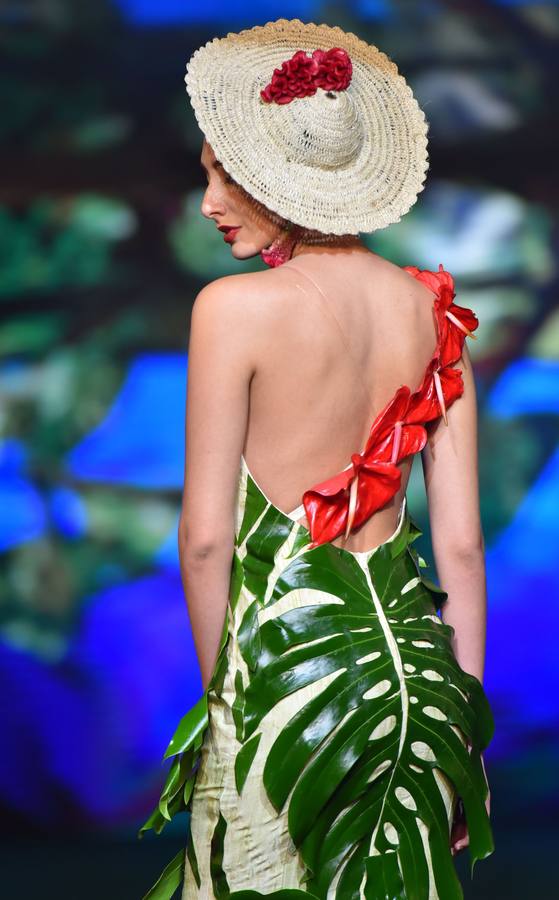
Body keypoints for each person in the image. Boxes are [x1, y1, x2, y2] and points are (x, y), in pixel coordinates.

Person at [139, 18, 494, 900]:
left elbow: (205, 544)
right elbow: (459, 552)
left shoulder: (232, 310)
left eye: (224, 177)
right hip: (415, 694)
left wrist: (224, 715)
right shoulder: (435, 320)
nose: (210, 203)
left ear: (276, 182)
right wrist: (463, 740)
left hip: (287, 693)